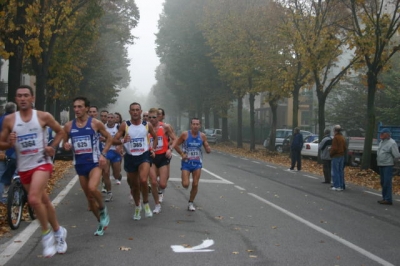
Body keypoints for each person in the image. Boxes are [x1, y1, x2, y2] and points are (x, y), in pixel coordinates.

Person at [0, 85, 67, 257]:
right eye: (19, 96)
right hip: (24, 167)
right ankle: (59, 231)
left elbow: (61, 131)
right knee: (42, 201)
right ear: (16, 99)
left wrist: (52, 147)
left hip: (41, 163)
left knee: (33, 199)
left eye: (26, 95)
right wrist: (9, 142)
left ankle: (46, 236)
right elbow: (2, 144)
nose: (22, 98)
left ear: (32, 98)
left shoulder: (43, 117)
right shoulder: (10, 120)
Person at [63, 96, 112, 236]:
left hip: (94, 163)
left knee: (92, 188)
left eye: (80, 107)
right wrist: (66, 145)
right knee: (90, 201)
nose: (76, 109)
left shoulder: (95, 124)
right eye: (75, 107)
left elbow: (109, 138)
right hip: (79, 164)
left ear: (86, 108)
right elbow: (65, 142)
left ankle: (103, 209)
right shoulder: (69, 126)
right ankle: (101, 221)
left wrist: (103, 154)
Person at [112, 102, 158, 220]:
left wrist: (153, 148)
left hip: (144, 155)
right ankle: (138, 206)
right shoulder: (125, 125)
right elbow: (114, 140)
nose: (135, 112)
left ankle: (146, 204)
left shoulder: (146, 125)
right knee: (134, 186)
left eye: (137, 110)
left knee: (143, 180)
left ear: (141, 111)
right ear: (130, 112)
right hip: (130, 157)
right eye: (133, 110)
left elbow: (155, 137)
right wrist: (123, 141)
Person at [170, 118, 211, 211]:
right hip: (186, 163)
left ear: (200, 125)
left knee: (195, 184)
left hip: (197, 163)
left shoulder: (202, 136)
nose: (195, 126)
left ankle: (191, 202)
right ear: (191, 125)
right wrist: (181, 154)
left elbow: (206, 146)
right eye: (194, 124)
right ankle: (186, 185)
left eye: (197, 124)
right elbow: (175, 143)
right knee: (185, 184)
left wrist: (208, 148)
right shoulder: (185, 134)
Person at [147, 108, 182, 213]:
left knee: (162, 184)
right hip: (151, 157)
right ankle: (157, 204)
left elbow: (175, 138)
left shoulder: (165, 127)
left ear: (158, 116)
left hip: (163, 157)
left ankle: (161, 190)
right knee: (153, 182)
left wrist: (170, 149)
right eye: (150, 117)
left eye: (154, 117)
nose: (152, 119)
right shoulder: (145, 127)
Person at [376, 128, 400, 205]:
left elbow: (396, 155)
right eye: (380, 134)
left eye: (382, 134)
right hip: (381, 164)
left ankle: (388, 199)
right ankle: (384, 198)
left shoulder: (392, 143)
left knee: (387, 182)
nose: (381, 135)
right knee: (383, 182)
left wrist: (393, 161)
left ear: (387, 134)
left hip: (388, 165)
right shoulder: (381, 142)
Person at [0, 102, 17, 201]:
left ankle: (1, 199)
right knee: (15, 175)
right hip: (13, 152)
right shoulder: (15, 120)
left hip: (2, 151)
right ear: (14, 110)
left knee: (1, 175)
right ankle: (15, 198)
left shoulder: (0, 119)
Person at [102, 113, 122, 196]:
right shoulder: (102, 127)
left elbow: (123, 139)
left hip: (115, 152)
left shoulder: (119, 127)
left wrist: (120, 147)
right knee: (106, 172)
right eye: (108, 117)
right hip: (106, 151)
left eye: (111, 118)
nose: (109, 119)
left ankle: (118, 176)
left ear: (115, 119)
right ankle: (109, 192)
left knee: (116, 174)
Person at [330, 125, 347, 191]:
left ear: (335, 131)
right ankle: (341, 185)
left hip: (336, 156)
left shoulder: (336, 138)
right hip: (342, 155)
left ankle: (336, 185)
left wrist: (331, 153)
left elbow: (334, 148)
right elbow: (345, 147)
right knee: (340, 171)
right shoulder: (342, 137)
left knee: (335, 171)